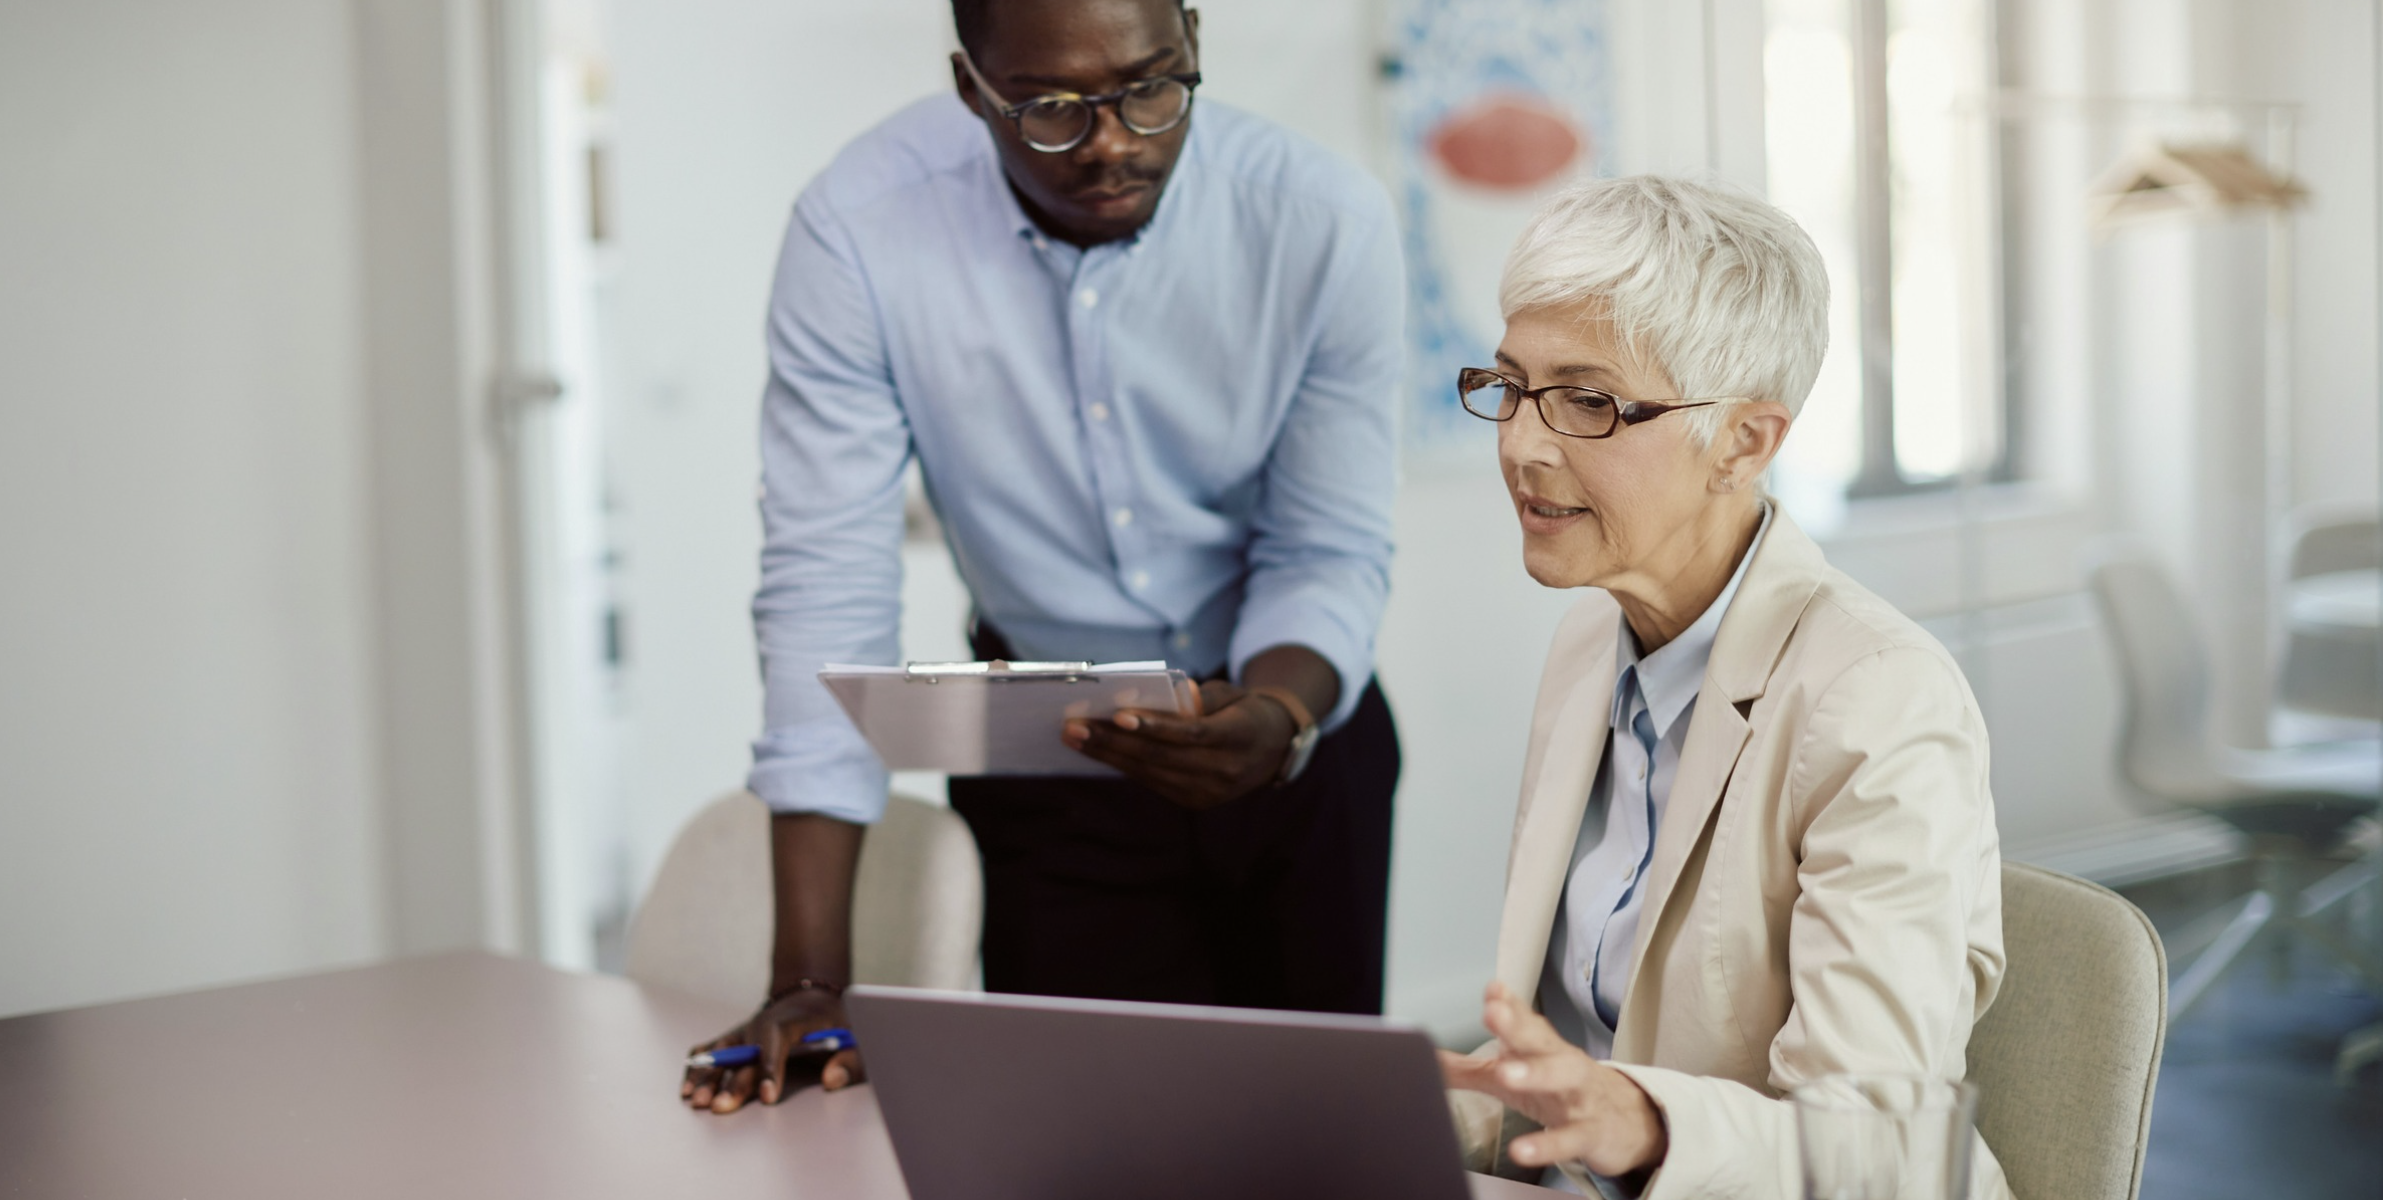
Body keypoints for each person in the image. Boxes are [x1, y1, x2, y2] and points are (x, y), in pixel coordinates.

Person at [680, 0, 1405, 1115]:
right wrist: (812, 977)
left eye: (1151, 87)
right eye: (1051, 110)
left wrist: (1281, 718)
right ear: (974, 89)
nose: (1114, 140)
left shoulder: (1321, 221)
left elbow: (1326, 542)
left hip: (1291, 741)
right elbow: (826, 589)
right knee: (1079, 1145)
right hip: (1050, 751)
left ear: (1196, 43)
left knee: (1313, 1141)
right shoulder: (859, 229)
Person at [1432, 176, 2015, 1199]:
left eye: (1588, 401)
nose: (1522, 443)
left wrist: (1640, 1121)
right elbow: (1577, 1045)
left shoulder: (1878, 699)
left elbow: (1878, 1150)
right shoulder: (1587, 642)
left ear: (1746, 442)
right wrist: (1441, 1103)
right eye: (1513, 386)